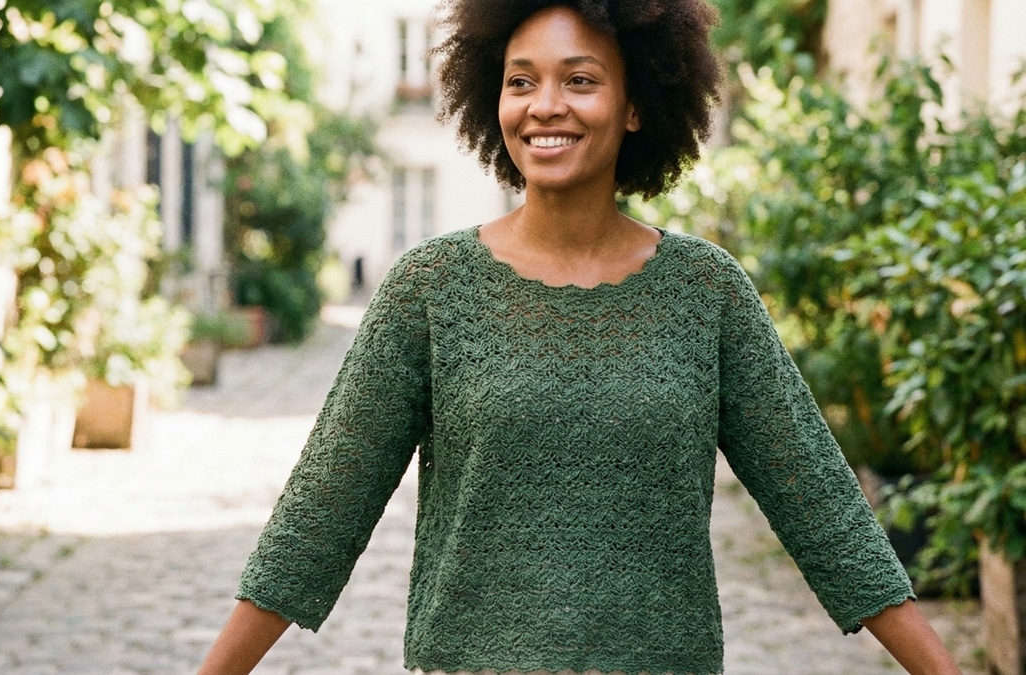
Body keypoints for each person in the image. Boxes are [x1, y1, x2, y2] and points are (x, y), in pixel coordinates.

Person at [198, 1, 963, 673]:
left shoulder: (706, 291)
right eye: (520, 80)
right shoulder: (430, 288)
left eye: (580, 79)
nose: (545, 106)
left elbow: (825, 512)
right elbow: (318, 517)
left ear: (636, 105)